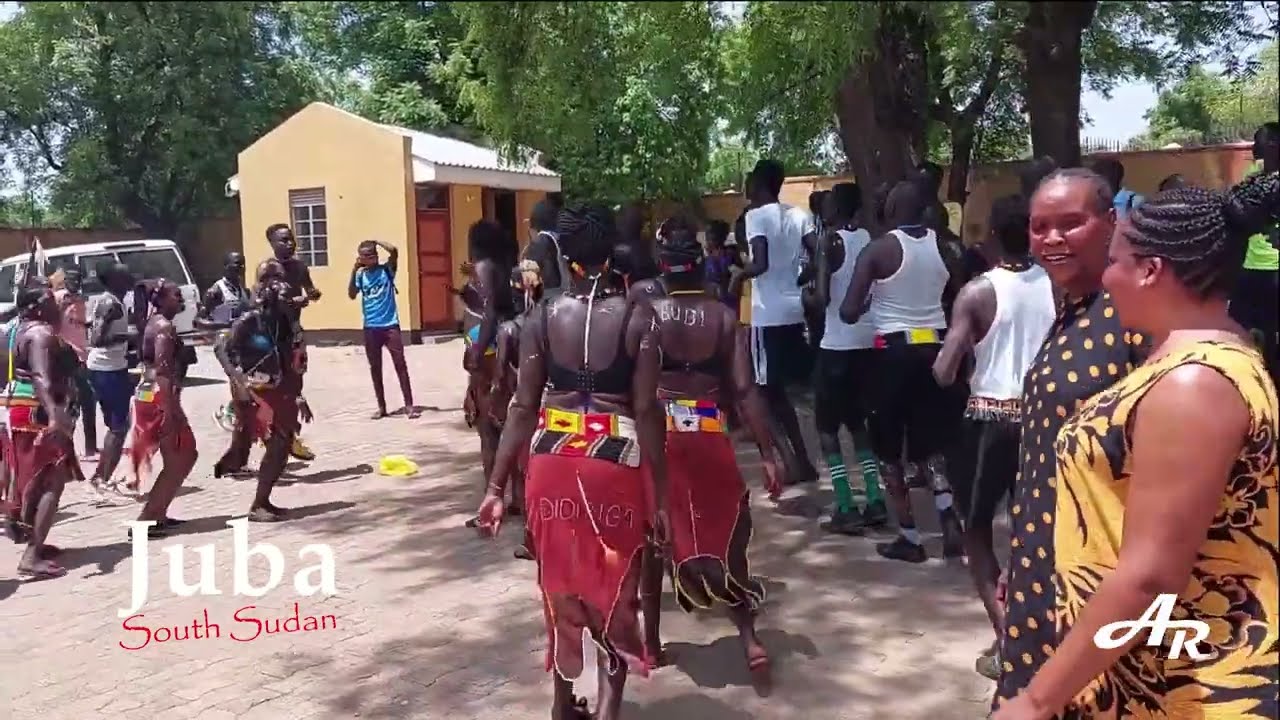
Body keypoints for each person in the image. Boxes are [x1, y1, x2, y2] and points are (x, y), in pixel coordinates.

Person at [993, 170, 1279, 720]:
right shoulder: (1185, 362)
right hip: (1135, 666)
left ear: (1151, 271)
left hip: (1181, 685)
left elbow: (1149, 577)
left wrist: (1035, 700)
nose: (1109, 279)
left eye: (1118, 263)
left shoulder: (1195, 382)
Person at [474, 205, 666, 720]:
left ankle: (562, 706)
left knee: (559, 587)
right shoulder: (637, 316)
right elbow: (646, 410)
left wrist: (495, 489)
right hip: (615, 462)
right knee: (617, 590)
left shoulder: (541, 315)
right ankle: (606, 711)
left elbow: (521, 406)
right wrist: (661, 496)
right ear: (612, 254)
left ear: (566, 256)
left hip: (551, 460)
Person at [994, 168, 1148, 707]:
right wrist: (1019, 559)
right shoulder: (1073, 314)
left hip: (1099, 575)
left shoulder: (1135, 320)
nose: (1052, 239)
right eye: (1040, 227)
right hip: (1041, 558)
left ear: (1111, 223)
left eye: (1070, 224)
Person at [640, 216, 783, 687]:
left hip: (660, 435)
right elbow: (745, 392)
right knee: (731, 539)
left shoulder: (646, 314)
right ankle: (748, 637)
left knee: (654, 540)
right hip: (708, 431)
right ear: (700, 267)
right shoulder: (723, 317)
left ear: (663, 266)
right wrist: (768, 451)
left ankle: (652, 644)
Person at [932, 195, 1055, 678]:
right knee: (1036, 528)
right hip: (1046, 418)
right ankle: (1046, 633)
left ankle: (1009, 641)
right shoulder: (1058, 286)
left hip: (987, 421)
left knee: (977, 529)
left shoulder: (977, 292)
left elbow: (944, 370)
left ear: (992, 240)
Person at [837, 175, 966, 562]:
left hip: (891, 354)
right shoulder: (945, 247)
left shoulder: (880, 251)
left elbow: (846, 311)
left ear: (891, 210)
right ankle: (949, 521)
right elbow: (956, 295)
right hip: (936, 351)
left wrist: (865, 305)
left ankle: (910, 536)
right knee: (934, 445)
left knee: (890, 450)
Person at [729, 159, 820, 486]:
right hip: (793, 311)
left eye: (750, 181)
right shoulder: (798, 214)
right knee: (782, 391)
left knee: (761, 393)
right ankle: (803, 459)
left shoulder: (755, 216)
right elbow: (818, 252)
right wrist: (802, 279)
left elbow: (761, 263)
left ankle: (792, 462)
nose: (747, 187)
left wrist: (739, 276)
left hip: (766, 315)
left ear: (760, 183)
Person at [812, 183, 888, 534]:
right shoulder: (871, 241)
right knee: (859, 424)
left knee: (827, 428)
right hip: (867, 344)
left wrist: (807, 297)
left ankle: (844, 504)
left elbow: (824, 297)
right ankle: (875, 498)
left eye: (827, 204)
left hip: (836, 345)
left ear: (837, 208)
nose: (824, 209)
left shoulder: (830, 242)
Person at [215, 277, 313, 522]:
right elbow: (221, 347)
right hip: (254, 390)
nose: (290, 302)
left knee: (283, 444)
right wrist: (237, 378)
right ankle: (257, 504)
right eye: (284, 298)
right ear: (269, 299)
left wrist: (297, 395)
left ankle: (263, 499)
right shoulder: (251, 321)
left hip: (278, 388)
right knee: (276, 442)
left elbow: (288, 362)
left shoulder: (283, 324)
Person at [1, 282, 80, 578]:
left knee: (28, 478)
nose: (54, 302)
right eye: (48, 299)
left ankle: (31, 538)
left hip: (16, 406)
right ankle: (32, 554)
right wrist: (56, 416)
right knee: (50, 480)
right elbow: (41, 376)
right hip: (36, 409)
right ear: (34, 306)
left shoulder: (13, 331)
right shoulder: (40, 334)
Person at [128, 280, 198, 537]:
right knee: (183, 455)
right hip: (159, 398)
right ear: (162, 300)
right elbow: (163, 369)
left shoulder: (155, 323)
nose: (181, 300)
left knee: (179, 457)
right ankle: (147, 519)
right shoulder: (163, 327)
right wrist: (171, 410)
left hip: (153, 395)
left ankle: (158, 513)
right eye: (176, 296)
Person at [460, 221, 517, 524]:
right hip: (502, 350)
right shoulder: (501, 267)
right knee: (508, 424)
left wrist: (478, 352)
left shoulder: (483, 267)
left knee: (488, 430)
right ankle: (518, 499)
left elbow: (489, 313)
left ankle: (490, 504)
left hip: (488, 351)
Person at [259, 223, 320, 463]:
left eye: (291, 239)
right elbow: (264, 301)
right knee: (272, 386)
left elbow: (309, 290)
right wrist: (294, 301)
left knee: (295, 383)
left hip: (293, 333)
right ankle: (269, 436)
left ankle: (289, 437)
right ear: (272, 243)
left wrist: (311, 295)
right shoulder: (267, 269)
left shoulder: (299, 266)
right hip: (271, 335)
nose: (289, 243)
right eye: (283, 240)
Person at [1229, 123, 1279, 387]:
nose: (1253, 147)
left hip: (1274, 270)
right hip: (1250, 268)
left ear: (1273, 144)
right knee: (1241, 332)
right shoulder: (1254, 175)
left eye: (1258, 142)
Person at [348, 240, 416, 420]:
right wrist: (354, 269)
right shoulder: (361, 275)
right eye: (367, 256)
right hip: (371, 327)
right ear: (361, 258)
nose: (372, 258)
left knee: (400, 365)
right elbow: (352, 294)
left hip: (390, 325)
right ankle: (382, 407)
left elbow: (394, 250)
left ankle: (409, 405)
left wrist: (377, 241)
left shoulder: (387, 270)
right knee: (375, 368)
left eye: (373, 254)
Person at [85, 261, 135, 494]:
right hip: (106, 369)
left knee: (118, 426)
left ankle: (101, 476)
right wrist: (127, 336)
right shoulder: (109, 303)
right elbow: (95, 339)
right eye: (124, 275)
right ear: (114, 279)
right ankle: (101, 478)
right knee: (118, 426)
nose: (130, 277)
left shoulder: (117, 301)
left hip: (113, 367)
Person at [51, 268, 96, 459]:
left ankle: (89, 447)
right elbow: (53, 321)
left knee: (85, 402)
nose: (75, 282)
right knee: (72, 402)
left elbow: (79, 323)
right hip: (66, 356)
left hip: (81, 355)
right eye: (71, 279)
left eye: (78, 279)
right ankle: (65, 449)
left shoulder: (81, 299)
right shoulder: (60, 297)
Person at [521, 196, 570, 303]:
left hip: (548, 304)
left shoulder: (538, 244)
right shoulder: (562, 240)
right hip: (566, 300)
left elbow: (530, 283)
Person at [198, 252, 251, 329]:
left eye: (243, 264)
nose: (241, 267)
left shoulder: (245, 291)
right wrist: (226, 325)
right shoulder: (216, 291)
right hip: (223, 338)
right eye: (237, 264)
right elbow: (198, 321)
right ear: (226, 266)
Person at [703, 220, 735, 308]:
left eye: (709, 236)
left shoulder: (728, 255)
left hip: (724, 302)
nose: (706, 239)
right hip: (712, 301)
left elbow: (720, 277)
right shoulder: (708, 257)